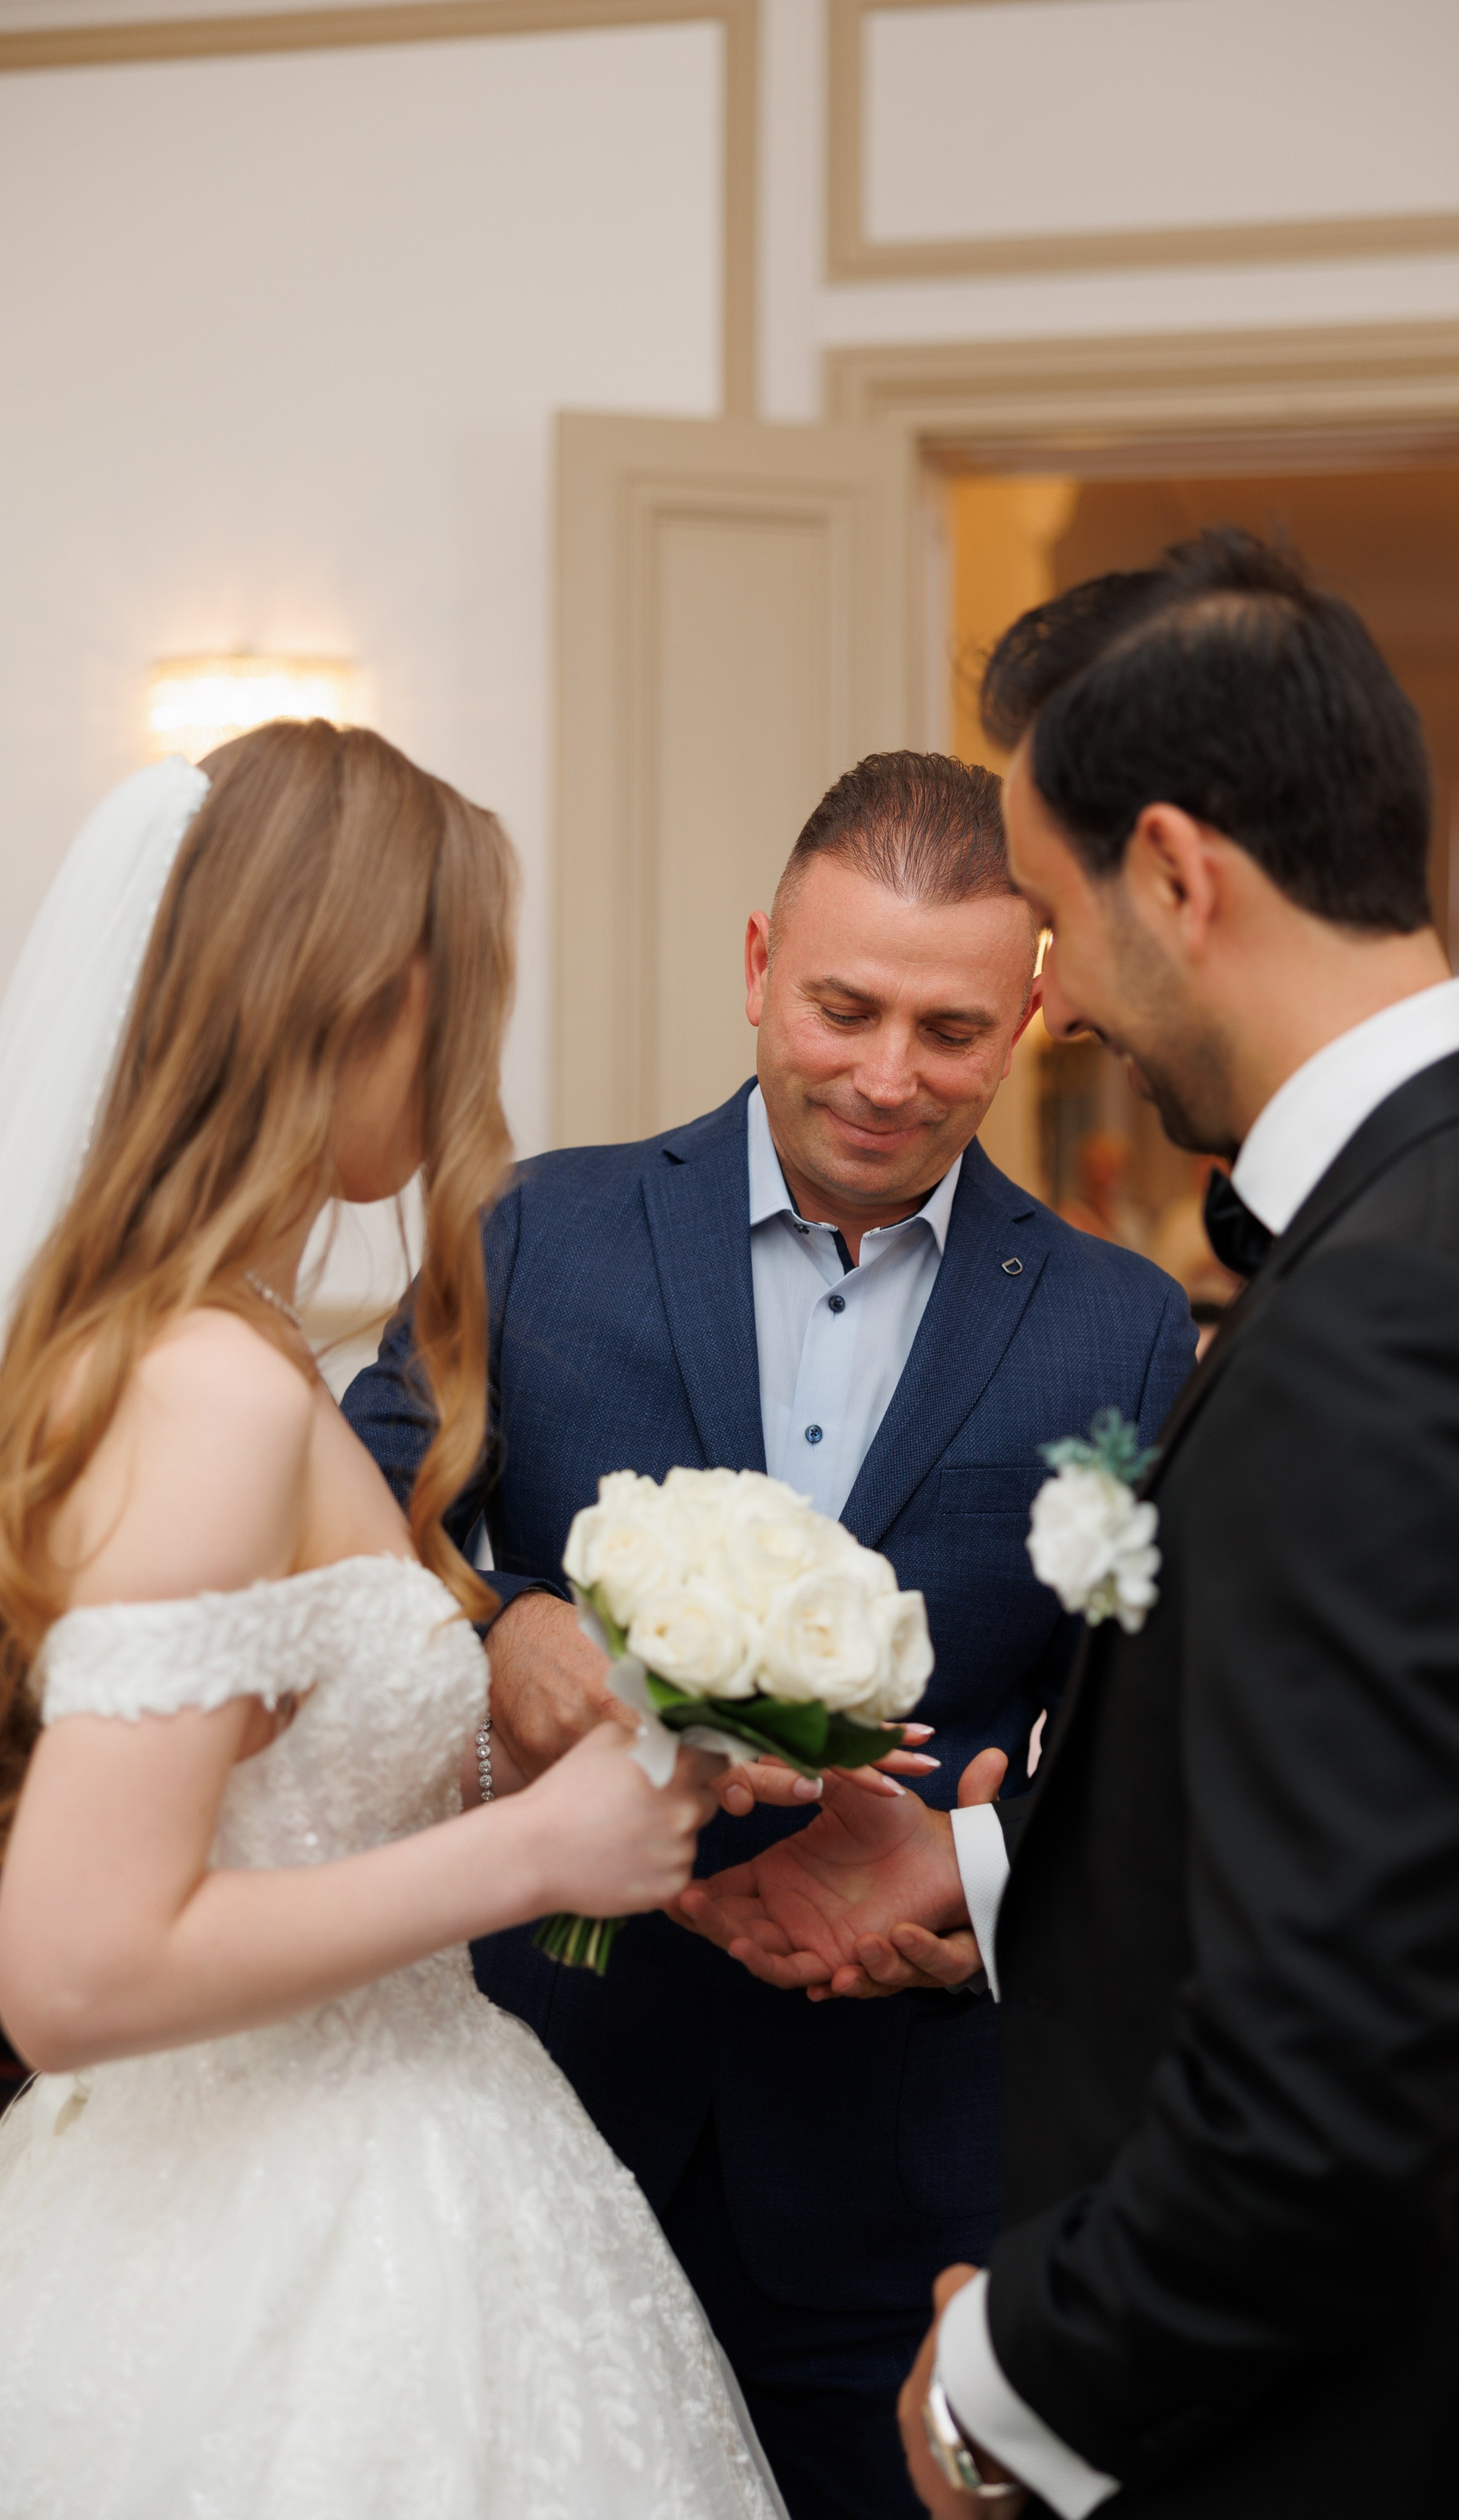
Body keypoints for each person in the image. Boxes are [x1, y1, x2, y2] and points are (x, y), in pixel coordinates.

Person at [686, 539, 1459, 2515]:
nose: (1055, 1014)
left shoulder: (1406, 1309)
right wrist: (975, 1864)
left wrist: (1001, 2383)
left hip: (1404, 2428)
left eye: (1052, 923)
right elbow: (1374, 1829)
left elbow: (1329, 2105)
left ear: (1178, 873)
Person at [342, 749, 1197, 2520]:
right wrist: (500, 1624)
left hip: (903, 2166)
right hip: (550, 2107)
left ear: (1032, 1013)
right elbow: (351, 1499)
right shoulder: (540, 1230)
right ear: (756, 965)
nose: (889, 1076)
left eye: (951, 1029)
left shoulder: (1121, 1330)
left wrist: (972, 1878)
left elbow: (1151, 1732)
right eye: (842, 1005)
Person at [0, 726, 785, 2520]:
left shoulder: (253, 1345)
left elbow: (277, 1778)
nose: (477, 1059)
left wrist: (540, 1753)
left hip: (404, 2164)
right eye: (470, 998)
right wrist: (538, 1855)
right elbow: (67, 1969)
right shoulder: (212, 1387)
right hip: (278, 2245)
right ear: (367, 993)